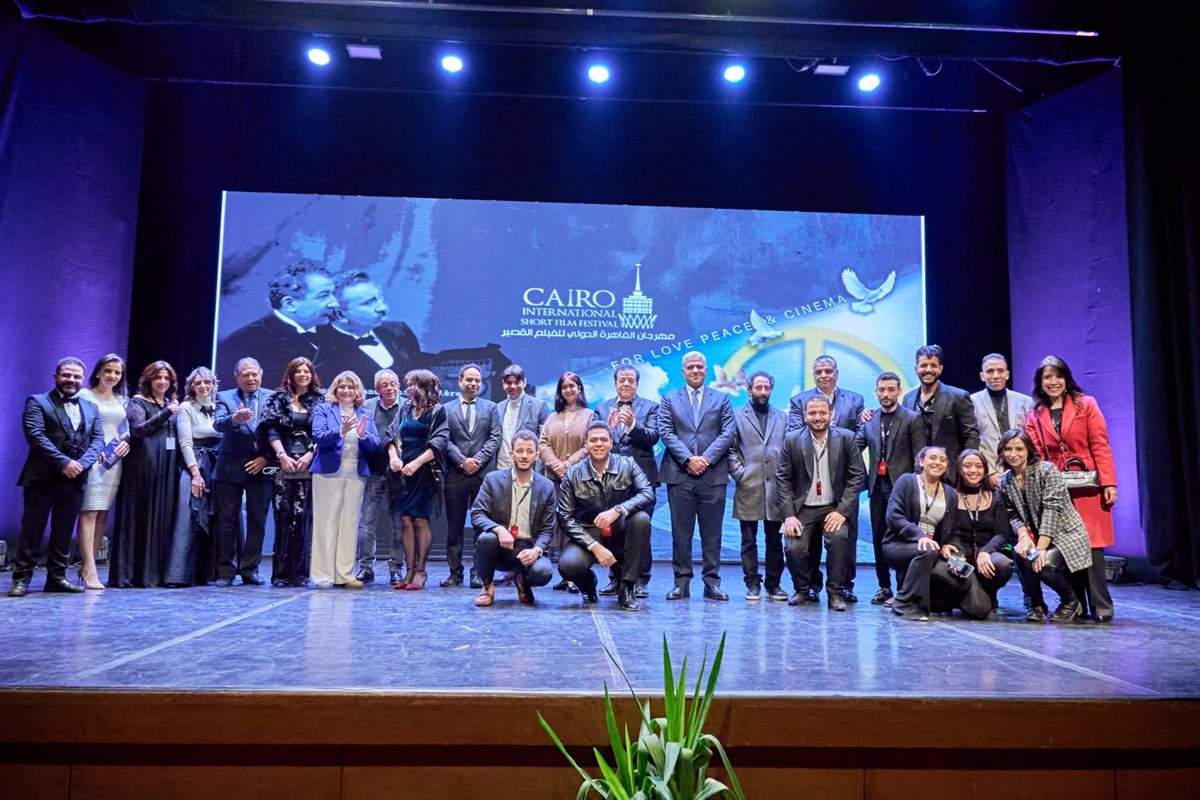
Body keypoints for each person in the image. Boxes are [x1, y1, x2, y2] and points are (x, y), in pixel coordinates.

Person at [1025, 355, 1117, 623]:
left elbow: (1100, 444)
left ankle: (1101, 605)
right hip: (1056, 486)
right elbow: (1036, 455)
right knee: (1066, 544)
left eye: (1058, 376)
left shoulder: (1086, 404)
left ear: (1066, 379)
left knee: (1092, 545)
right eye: (1047, 377)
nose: (1053, 381)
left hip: (1087, 484)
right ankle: (1076, 604)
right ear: (1040, 383)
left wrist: (1109, 482)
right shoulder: (1035, 414)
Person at [8, 357, 103, 597]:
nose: (71, 380)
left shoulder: (91, 407)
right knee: (32, 530)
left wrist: (80, 465)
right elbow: (36, 435)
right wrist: (64, 463)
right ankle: (21, 579)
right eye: (66, 375)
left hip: (75, 479)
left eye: (76, 376)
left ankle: (57, 578)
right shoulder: (37, 401)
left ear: (83, 379)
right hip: (42, 478)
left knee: (64, 531)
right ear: (55, 376)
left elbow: (97, 440)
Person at [786, 355, 866, 603]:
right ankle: (807, 587)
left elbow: (860, 436)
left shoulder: (854, 401)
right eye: (818, 372)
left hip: (838, 492)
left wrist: (840, 448)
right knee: (798, 546)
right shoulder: (800, 402)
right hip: (806, 496)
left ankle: (840, 589)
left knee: (843, 539)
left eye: (828, 371)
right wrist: (789, 514)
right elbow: (795, 440)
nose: (823, 375)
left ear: (836, 373)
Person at [658, 351, 736, 601]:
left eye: (699, 367)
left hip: (713, 475)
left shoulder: (721, 399)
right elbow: (665, 432)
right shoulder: (669, 398)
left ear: (706, 370)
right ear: (683, 371)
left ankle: (712, 583)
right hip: (679, 474)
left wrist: (706, 459)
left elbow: (728, 433)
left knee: (712, 534)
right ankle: (681, 583)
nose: (695, 370)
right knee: (681, 533)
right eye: (690, 367)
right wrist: (689, 459)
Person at [557, 421, 656, 610]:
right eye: (593, 440)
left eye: (603, 440)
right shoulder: (573, 474)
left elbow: (647, 494)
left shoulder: (628, 464)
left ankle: (626, 587)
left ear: (611, 443)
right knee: (568, 566)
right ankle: (588, 585)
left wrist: (618, 510)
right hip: (589, 533)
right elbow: (564, 517)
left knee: (641, 519)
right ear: (586, 444)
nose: (599, 444)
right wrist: (594, 547)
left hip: (620, 529)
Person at [997, 428, 1093, 623]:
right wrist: (1023, 536)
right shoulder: (1005, 480)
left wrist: (1041, 548)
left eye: (1019, 449)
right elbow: (1012, 514)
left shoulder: (1047, 470)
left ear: (1028, 450)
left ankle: (1070, 602)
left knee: (1044, 564)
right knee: (1021, 552)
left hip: (1065, 534)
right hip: (1034, 534)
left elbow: (1052, 509)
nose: (1013, 454)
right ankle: (1036, 604)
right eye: (1008, 449)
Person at [882, 446, 987, 621]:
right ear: (921, 462)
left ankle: (934, 603)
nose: (938, 462)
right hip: (898, 545)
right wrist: (920, 536)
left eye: (942, 460)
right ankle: (904, 604)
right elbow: (894, 516)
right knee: (927, 551)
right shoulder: (907, 481)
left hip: (932, 550)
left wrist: (952, 549)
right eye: (932, 458)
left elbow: (954, 531)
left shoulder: (950, 494)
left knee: (961, 578)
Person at [109, 360, 182, 588]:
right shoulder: (137, 402)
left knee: (162, 516)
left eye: (166, 378)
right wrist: (166, 413)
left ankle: (156, 573)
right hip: (143, 466)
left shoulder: (170, 403)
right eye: (158, 377)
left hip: (167, 465)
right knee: (141, 515)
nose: (162, 382)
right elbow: (138, 430)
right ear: (148, 380)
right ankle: (134, 574)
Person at [855, 372, 925, 605]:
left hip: (903, 490)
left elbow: (919, 457)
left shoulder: (912, 419)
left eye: (891, 389)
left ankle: (904, 588)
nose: (886, 394)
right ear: (876, 391)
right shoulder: (870, 419)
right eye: (882, 390)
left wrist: (917, 488)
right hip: (877, 488)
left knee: (903, 536)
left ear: (899, 391)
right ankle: (884, 587)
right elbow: (854, 447)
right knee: (878, 538)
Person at [591, 365, 660, 597]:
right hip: (611, 481)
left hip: (642, 482)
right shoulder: (602, 408)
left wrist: (632, 425)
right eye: (622, 380)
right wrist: (609, 429)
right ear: (615, 383)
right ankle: (616, 578)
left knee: (641, 528)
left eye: (631, 380)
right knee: (613, 532)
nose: (626, 384)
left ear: (637, 384)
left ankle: (640, 580)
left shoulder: (651, 407)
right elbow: (594, 438)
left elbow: (653, 437)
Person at [216, 258, 339, 385]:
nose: (335, 303)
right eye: (324, 296)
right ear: (290, 304)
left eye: (333, 294)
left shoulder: (334, 334)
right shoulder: (245, 342)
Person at [310, 370, 381, 589]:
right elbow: (319, 436)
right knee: (326, 523)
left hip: (355, 473)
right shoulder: (324, 409)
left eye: (351, 387)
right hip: (328, 472)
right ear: (335, 389)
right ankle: (323, 575)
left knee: (349, 524)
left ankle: (344, 574)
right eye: (342, 387)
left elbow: (376, 443)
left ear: (357, 391)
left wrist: (362, 434)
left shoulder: (364, 413)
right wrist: (340, 430)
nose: (346, 391)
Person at [470, 429, 556, 606]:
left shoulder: (546, 486)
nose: (524, 456)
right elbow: (477, 513)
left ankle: (522, 579)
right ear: (511, 454)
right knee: (486, 539)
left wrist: (536, 551)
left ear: (536, 456)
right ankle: (487, 588)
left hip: (528, 548)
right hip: (500, 546)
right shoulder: (493, 480)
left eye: (529, 451)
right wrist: (499, 529)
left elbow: (547, 530)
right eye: (519, 451)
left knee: (544, 573)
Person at [260, 357, 323, 587]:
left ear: (312, 375)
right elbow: (270, 430)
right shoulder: (277, 398)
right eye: (299, 371)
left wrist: (309, 455)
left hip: (308, 465)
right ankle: (280, 574)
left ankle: (300, 573)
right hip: (282, 464)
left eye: (307, 371)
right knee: (283, 518)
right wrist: (282, 456)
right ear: (291, 374)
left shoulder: (320, 400)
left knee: (302, 517)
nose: (303, 375)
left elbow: (322, 433)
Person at [212, 357, 273, 587]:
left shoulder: (272, 397)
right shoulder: (224, 397)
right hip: (230, 468)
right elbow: (217, 423)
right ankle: (226, 571)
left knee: (258, 521)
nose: (250, 378)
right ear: (237, 377)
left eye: (254, 374)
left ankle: (249, 569)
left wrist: (266, 457)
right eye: (245, 375)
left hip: (261, 466)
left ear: (261, 375)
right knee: (227, 521)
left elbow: (278, 430)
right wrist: (234, 419)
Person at [386, 369, 449, 590]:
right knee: (405, 520)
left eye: (410, 384)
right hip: (403, 473)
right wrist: (394, 457)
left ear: (422, 386)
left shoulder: (438, 411)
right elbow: (391, 435)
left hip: (423, 472)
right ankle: (409, 570)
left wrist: (416, 463)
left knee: (420, 520)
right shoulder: (405, 408)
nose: (407, 388)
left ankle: (421, 571)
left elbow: (440, 442)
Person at [441, 363, 503, 588]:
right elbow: (444, 438)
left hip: (482, 476)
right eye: (469, 379)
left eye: (477, 380)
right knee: (454, 527)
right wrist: (462, 461)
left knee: (481, 527)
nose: (474, 384)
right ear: (460, 381)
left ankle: (478, 573)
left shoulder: (491, 407)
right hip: (455, 475)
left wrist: (476, 461)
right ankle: (454, 573)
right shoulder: (445, 409)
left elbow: (495, 437)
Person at [728, 371, 787, 601]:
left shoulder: (782, 417)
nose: (763, 392)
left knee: (775, 540)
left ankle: (774, 584)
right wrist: (740, 474)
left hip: (777, 487)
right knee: (748, 540)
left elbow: (789, 450)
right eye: (758, 387)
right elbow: (729, 449)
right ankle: (752, 583)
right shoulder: (735, 416)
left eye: (766, 388)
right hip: (748, 485)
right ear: (749, 390)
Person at [75, 354, 130, 590]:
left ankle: (90, 565)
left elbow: (125, 429)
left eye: (117, 372)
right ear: (98, 372)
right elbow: (76, 426)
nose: (112, 376)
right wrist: (90, 449)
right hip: (92, 459)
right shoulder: (84, 396)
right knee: (89, 512)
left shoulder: (122, 400)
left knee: (103, 514)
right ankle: (88, 567)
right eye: (108, 370)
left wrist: (126, 441)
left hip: (113, 460)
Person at [164, 366, 222, 587]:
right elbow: (185, 443)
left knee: (218, 516)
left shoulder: (220, 407)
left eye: (207, 382)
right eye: (198, 383)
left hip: (217, 464)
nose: (203, 386)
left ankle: (209, 574)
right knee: (188, 514)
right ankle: (180, 574)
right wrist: (195, 474)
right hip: (195, 464)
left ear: (213, 385)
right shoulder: (187, 407)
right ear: (192, 387)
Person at [538, 371, 594, 591]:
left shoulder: (589, 416)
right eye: (564, 387)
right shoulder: (552, 417)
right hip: (553, 481)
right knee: (558, 526)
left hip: (578, 481)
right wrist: (556, 466)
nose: (568, 390)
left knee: (575, 525)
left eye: (572, 386)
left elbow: (589, 445)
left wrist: (568, 464)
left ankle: (576, 575)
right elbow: (542, 444)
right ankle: (565, 575)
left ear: (579, 389)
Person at [313, 271, 422, 384]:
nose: (383, 308)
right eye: (368, 303)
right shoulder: (319, 348)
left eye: (379, 299)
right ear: (339, 314)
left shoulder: (398, 330)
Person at [899, 344, 980, 483]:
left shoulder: (958, 397)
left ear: (940, 369)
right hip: (917, 476)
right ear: (916, 369)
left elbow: (971, 436)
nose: (928, 370)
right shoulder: (908, 399)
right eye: (924, 365)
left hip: (950, 475)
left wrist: (967, 469)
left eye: (933, 365)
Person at [949, 449, 1014, 614]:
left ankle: (988, 592)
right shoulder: (950, 495)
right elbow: (949, 533)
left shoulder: (995, 497)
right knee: (977, 609)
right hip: (958, 554)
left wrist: (985, 551)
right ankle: (966, 595)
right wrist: (958, 554)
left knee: (1004, 564)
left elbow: (1002, 533)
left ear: (985, 470)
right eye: (967, 466)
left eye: (978, 466)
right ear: (959, 469)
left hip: (986, 554)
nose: (973, 470)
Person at [355, 369, 405, 585]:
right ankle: (366, 568)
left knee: (398, 523)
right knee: (366, 523)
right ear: (376, 389)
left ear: (399, 386)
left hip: (400, 473)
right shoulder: (366, 408)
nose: (390, 387)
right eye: (384, 384)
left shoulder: (408, 407)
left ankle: (396, 568)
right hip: (373, 471)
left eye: (393, 383)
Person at [970, 353, 1034, 487]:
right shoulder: (971, 402)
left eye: (1000, 370)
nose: (995, 375)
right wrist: (988, 473)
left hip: (1022, 474)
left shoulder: (1026, 402)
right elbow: (971, 441)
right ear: (982, 376)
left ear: (1007, 374)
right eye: (990, 371)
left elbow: (1031, 440)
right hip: (988, 474)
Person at [494, 365, 550, 471]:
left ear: (524, 382)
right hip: (501, 468)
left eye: (517, 382)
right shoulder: (498, 408)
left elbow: (543, 443)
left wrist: (538, 472)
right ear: (503, 384)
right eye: (509, 383)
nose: (513, 386)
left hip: (528, 470)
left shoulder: (539, 406)